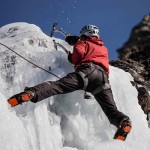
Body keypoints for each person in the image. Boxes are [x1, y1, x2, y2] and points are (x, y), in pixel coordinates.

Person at [7, 24, 132, 141]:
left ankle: (31, 94)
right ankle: (123, 122)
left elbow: (78, 55)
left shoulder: (82, 42)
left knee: (57, 86)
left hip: (86, 72)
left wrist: (72, 54)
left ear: (84, 34)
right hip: (103, 79)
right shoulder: (103, 48)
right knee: (110, 109)